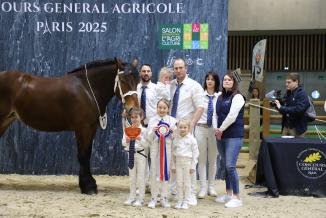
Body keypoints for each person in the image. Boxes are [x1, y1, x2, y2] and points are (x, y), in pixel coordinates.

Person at [170, 58, 204, 205]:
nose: (178, 70)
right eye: (176, 68)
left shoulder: (194, 86)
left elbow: (200, 107)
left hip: (186, 129)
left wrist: (191, 125)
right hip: (173, 128)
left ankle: (191, 194)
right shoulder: (170, 85)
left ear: (186, 68)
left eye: (181, 68)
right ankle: (177, 192)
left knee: (189, 162)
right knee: (175, 161)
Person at [215, 71, 245, 208]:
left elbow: (232, 116)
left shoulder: (238, 97)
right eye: (225, 79)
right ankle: (228, 194)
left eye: (229, 80)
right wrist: (216, 129)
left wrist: (220, 129)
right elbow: (215, 115)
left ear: (234, 82)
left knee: (230, 166)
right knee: (225, 166)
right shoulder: (220, 97)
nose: (226, 81)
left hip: (234, 135)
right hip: (221, 135)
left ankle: (237, 197)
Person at [146, 99, 177, 209]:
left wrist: (173, 132)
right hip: (155, 150)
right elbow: (148, 138)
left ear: (168, 109)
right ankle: (153, 198)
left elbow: (175, 138)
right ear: (157, 108)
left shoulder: (173, 121)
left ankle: (164, 198)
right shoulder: (152, 120)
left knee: (165, 174)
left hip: (167, 151)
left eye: (164, 108)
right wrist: (153, 131)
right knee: (154, 173)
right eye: (160, 107)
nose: (162, 110)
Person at [195, 71, 221, 199]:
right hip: (200, 128)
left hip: (213, 130)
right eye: (207, 79)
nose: (209, 81)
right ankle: (203, 187)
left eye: (212, 79)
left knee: (212, 160)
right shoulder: (200, 95)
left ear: (216, 82)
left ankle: (211, 186)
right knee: (201, 159)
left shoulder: (220, 96)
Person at [122, 108, 148, 207]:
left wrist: (140, 139)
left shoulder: (144, 131)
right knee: (132, 177)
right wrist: (127, 140)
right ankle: (131, 197)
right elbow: (123, 143)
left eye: (136, 117)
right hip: (131, 154)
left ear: (141, 117)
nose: (134, 119)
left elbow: (147, 145)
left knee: (141, 177)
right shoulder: (127, 130)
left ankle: (140, 199)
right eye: (132, 117)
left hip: (141, 154)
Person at [172, 119, 199, 209]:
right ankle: (180, 200)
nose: (182, 129)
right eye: (180, 127)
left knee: (187, 183)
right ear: (177, 128)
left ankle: (186, 201)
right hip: (178, 162)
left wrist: (193, 166)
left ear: (189, 128)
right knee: (179, 182)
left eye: (185, 127)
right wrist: (173, 165)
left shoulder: (192, 140)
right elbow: (173, 152)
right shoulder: (176, 139)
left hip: (188, 162)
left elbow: (195, 154)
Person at [274, 72, 310, 137]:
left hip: (297, 128)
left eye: (289, 82)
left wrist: (282, 108)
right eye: (286, 82)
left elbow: (299, 109)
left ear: (296, 82)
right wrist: (277, 105)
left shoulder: (302, 93)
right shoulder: (288, 93)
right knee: (283, 146)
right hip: (286, 126)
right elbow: (283, 110)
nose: (286, 84)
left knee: (297, 147)